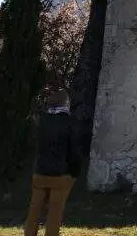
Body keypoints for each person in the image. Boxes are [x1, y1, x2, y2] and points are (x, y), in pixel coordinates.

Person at [24, 90, 81, 236]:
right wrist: (75, 173)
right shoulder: (70, 122)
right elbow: (74, 151)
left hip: (40, 171)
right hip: (61, 174)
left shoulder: (41, 121)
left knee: (34, 210)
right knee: (54, 213)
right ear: (66, 103)